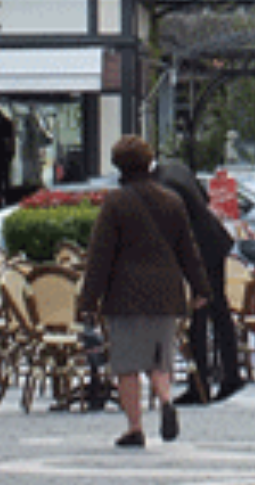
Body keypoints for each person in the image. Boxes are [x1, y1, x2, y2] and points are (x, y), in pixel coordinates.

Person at [79, 136, 210, 448]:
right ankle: (165, 400)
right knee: (158, 358)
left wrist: (88, 300)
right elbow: (187, 251)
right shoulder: (171, 201)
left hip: (124, 294)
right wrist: (201, 288)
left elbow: (101, 256)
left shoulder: (116, 203)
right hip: (165, 293)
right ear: (149, 161)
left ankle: (135, 427)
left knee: (126, 364)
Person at [154, 157, 244, 405]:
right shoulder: (176, 167)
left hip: (200, 248)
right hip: (214, 240)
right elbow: (204, 201)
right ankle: (229, 374)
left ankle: (201, 383)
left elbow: (176, 224)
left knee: (200, 314)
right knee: (218, 312)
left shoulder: (162, 185)